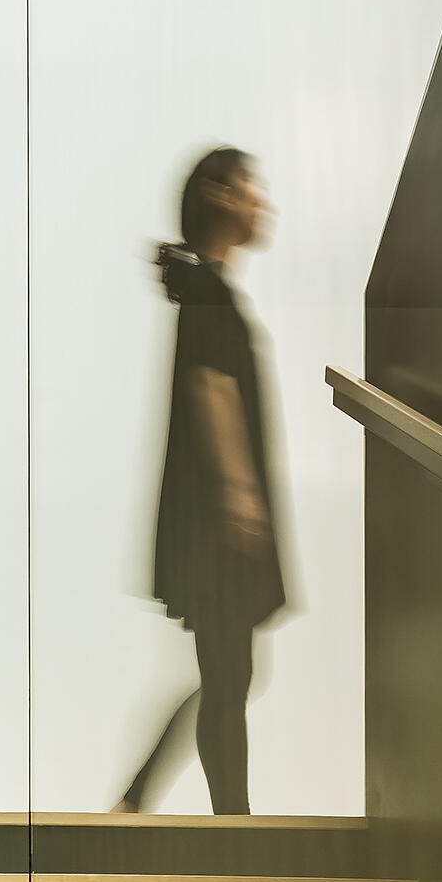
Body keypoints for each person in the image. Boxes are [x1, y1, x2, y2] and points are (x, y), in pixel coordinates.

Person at [118, 148, 287, 815]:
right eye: (251, 187)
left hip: (213, 515)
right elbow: (211, 387)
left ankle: (142, 801)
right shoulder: (211, 293)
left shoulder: (207, 290)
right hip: (219, 519)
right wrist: (241, 494)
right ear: (219, 197)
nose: (261, 202)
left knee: (229, 674)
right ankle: (229, 826)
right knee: (229, 674)